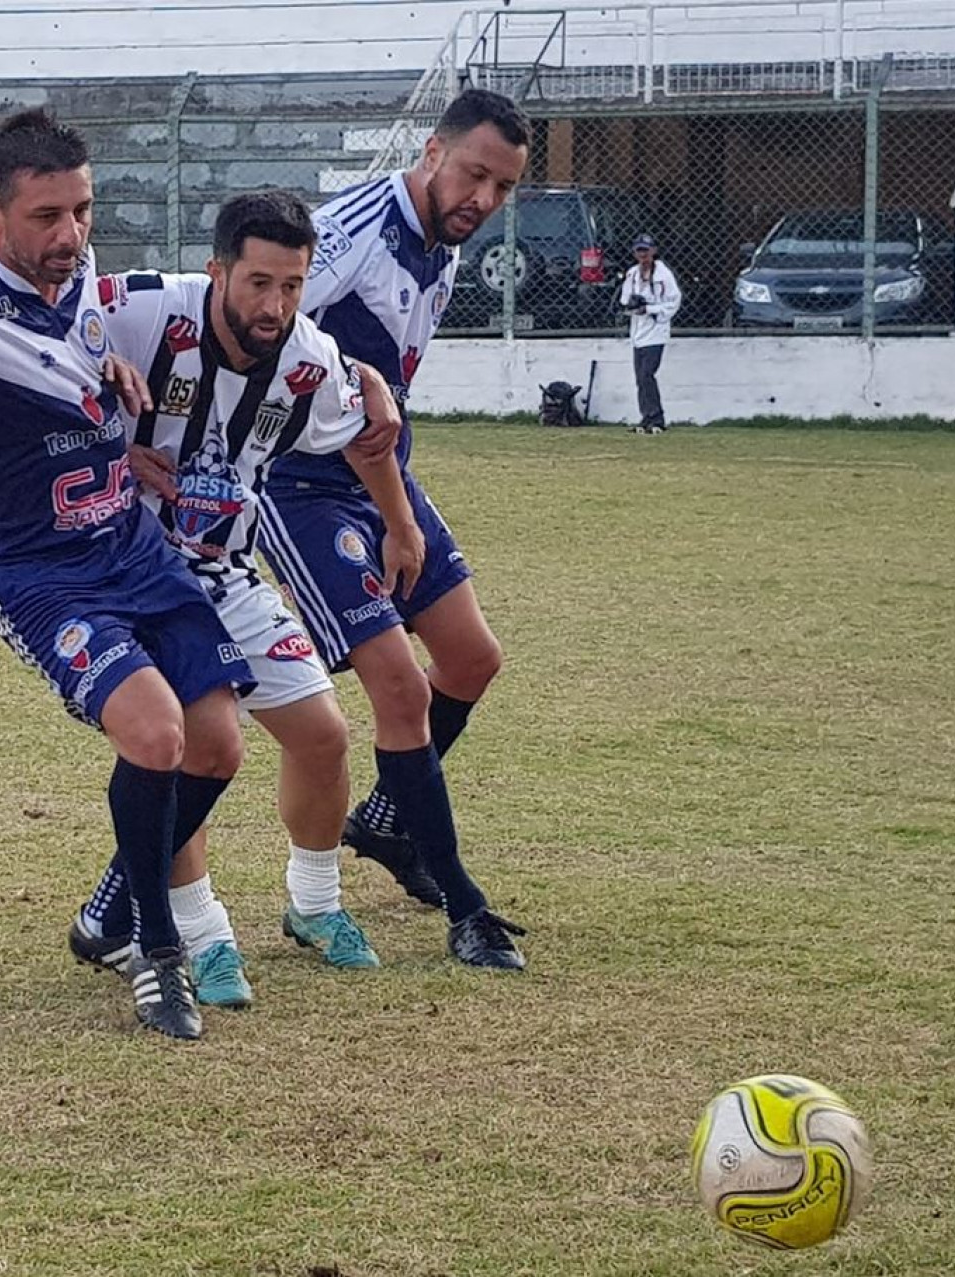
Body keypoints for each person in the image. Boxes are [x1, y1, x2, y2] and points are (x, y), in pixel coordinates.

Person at [0, 110, 251, 1041]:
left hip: (133, 548)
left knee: (218, 744)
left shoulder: (72, 281)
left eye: (81, 211)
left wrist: (107, 371)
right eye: (45, 217)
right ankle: (154, 956)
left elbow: (77, 350)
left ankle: (110, 904)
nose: (69, 235)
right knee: (154, 733)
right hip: (42, 576)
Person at [66, 189, 415, 1004]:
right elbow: (40, 353)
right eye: (259, 283)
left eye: (292, 285)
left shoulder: (305, 357)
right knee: (200, 743)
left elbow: (363, 428)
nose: (276, 305)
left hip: (226, 571)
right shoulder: (144, 311)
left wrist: (398, 521)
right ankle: (205, 933)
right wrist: (113, 458)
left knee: (323, 734)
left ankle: (316, 906)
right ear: (217, 269)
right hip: (135, 574)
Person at [256, 88, 532, 968]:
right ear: (430, 151)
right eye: (473, 174)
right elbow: (254, 313)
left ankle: (383, 820)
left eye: (501, 188)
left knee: (471, 658)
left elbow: (389, 383)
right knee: (401, 689)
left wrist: (395, 505)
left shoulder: (440, 249)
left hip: (379, 475)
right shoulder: (351, 232)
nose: (482, 200)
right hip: (297, 487)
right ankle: (465, 905)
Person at [620, 233, 682, 433]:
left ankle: (657, 419)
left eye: (646, 251)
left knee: (647, 374)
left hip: (656, 332)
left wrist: (651, 309)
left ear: (653, 251)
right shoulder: (632, 274)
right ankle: (646, 418)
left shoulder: (663, 275)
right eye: (639, 251)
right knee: (640, 378)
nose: (642, 255)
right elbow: (624, 299)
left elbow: (673, 301)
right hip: (638, 332)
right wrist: (634, 305)